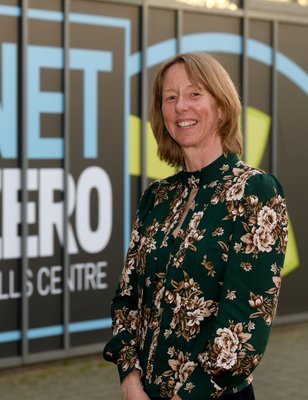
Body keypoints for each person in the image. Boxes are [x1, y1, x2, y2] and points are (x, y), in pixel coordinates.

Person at [103, 52, 288, 400]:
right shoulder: (156, 197)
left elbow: (246, 322)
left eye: (194, 93)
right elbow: (127, 299)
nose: (180, 107)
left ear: (221, 106)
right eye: (169, 98)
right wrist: (129, 377)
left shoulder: (255, 191)